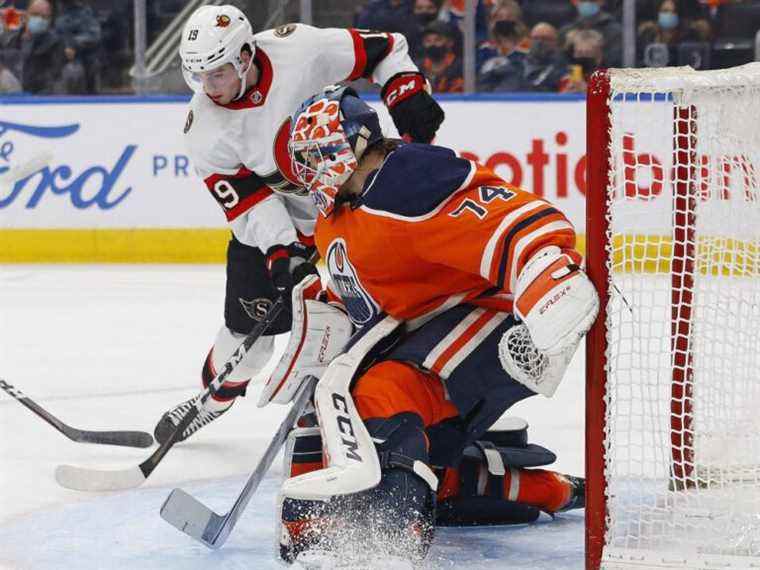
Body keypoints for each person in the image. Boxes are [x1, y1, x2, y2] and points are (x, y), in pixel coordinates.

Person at [269, 85, 597, 564]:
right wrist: (321, 307)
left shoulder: (404, 177)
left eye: (315, 156)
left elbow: (516, 220)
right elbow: (372, 300)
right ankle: (549, 491)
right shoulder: (336, 219)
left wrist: (546, 269)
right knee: (352, 423)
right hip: (427, 331)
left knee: (381, 396)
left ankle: (387, 539)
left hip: (496, 319)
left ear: (351, 143)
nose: (308, 173)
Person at [153, 5, 445, 444]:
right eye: (197, 76)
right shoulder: (205, 131)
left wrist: (406, 93)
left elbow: (385, 49)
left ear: (245, 56)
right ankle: (208, 403)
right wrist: (282, 250)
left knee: (380, 317)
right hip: (282, 224)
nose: (206, 87)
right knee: (248, 343)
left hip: (354, 201)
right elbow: (250, 203)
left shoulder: (301, 50)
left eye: (216, 73)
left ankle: (380, 408)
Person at [0, 0, 62, 93]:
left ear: (49, 21)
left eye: (44, 17)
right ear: (25, 16)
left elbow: (54, 79)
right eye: (35, 15)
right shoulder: (11, 42)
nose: (39, 20)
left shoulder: (54, 44)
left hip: (37, 99)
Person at [559, 0, 622, 67]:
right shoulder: (566, 31)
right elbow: (560, 63)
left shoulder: (615, 31)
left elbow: (617, 62)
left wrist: (599, 55)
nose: (587, 3)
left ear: (601, 1)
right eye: (583, 0)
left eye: (592, 0)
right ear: (575, 2)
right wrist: (568, 48)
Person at [477, 19, 528, 92]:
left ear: (515, 39)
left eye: (508, 39)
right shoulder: (485, 52)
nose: (503, 43)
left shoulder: (522, 56)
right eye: (499, 40)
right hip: (486, 96)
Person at [418, 20, 464, 93]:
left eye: (438, 40)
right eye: (428, 41)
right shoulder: (417, 68)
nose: (432, 45)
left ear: (449, 42)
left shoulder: (461, 67)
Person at [523, 22, 568, 92]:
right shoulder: (519, 61)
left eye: (545, 39)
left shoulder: (563, 65)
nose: (539, 42)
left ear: (555, 41)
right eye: (535, 38)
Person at [558, 28, 604, 93]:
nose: (583, 57)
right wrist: (566, 94)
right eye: (579, 53)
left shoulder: (609, 80)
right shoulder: (566, 79)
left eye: (588, 53)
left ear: (598, 56)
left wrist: (586, 91)